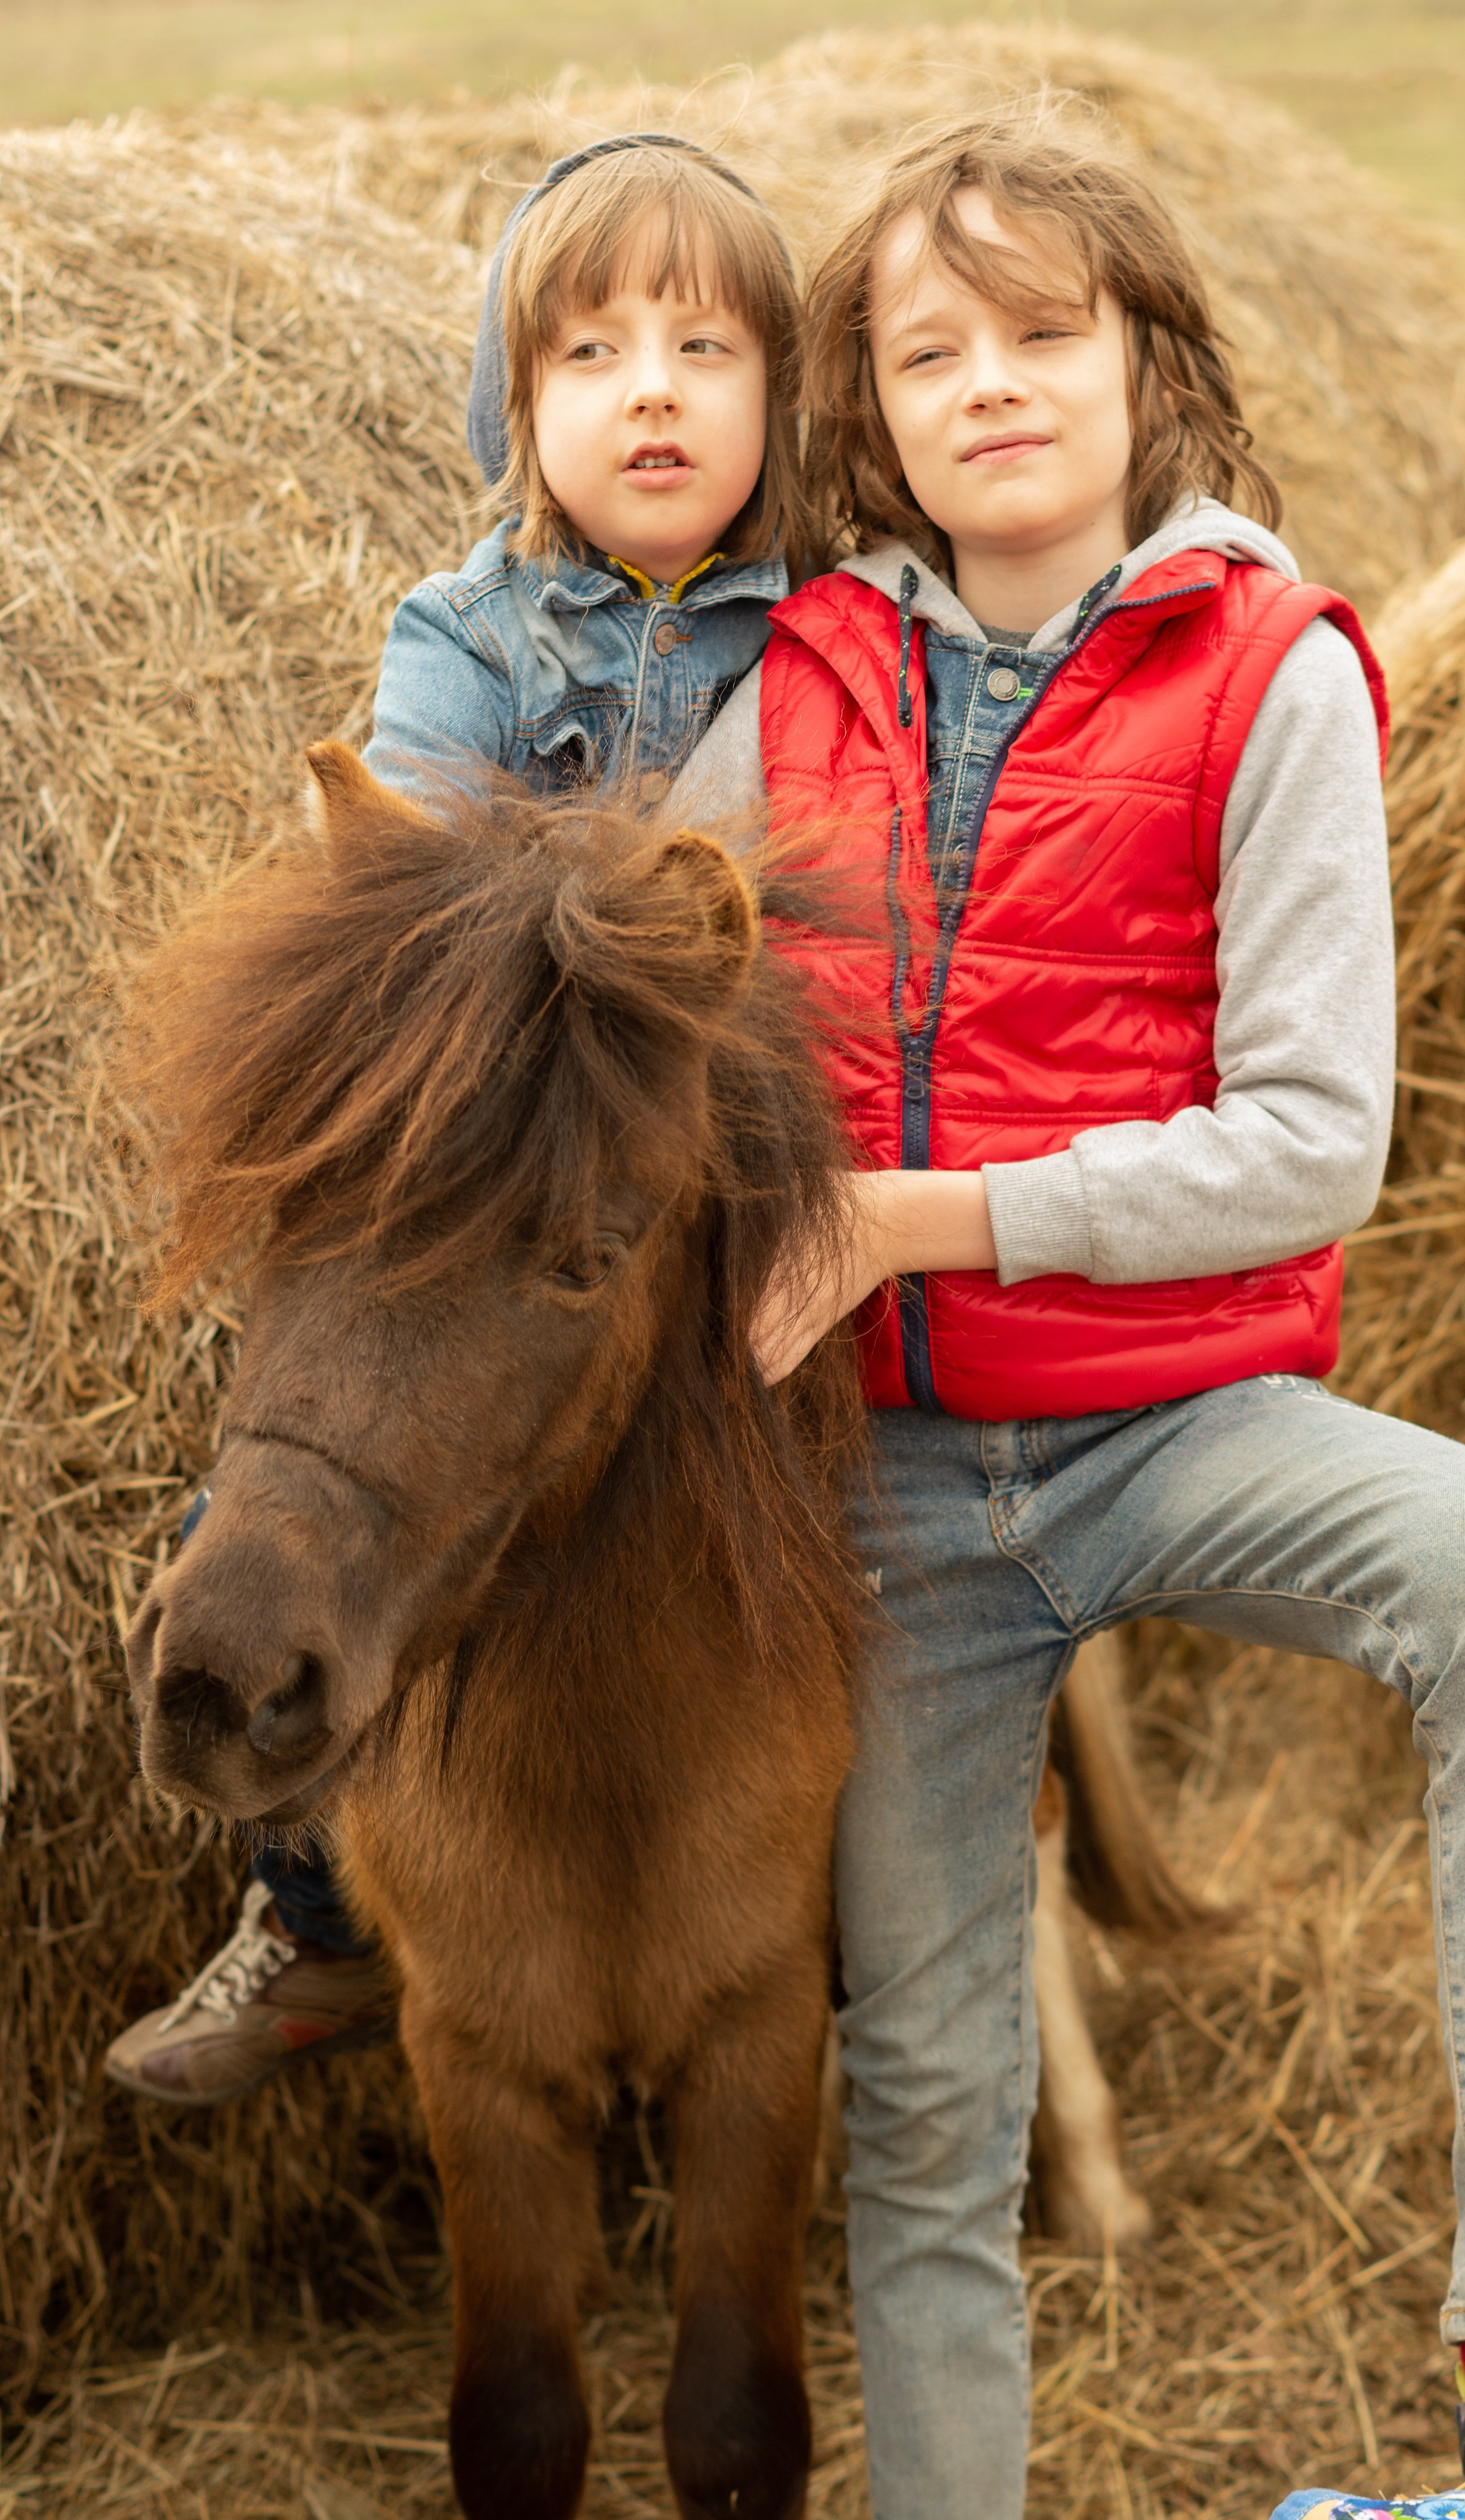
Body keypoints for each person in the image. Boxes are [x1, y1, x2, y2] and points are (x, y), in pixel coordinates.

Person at [666, 105, 1465, 2510]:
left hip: (1174, 1424)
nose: (992, 381)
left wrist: (925, 1222)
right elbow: (628, 974)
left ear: (1145, 365)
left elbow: (1315, 1135)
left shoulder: (1271, 670)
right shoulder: (791, 682)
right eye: (931, 348)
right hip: (889, 1504)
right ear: (870, 415)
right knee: (926, 2112)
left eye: (1044, 330)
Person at [104, 129, 812, 2107]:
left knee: (902, 1501)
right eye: (588, 354)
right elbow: (396, 871)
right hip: (518, 1141)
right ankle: (317, 1911)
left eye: (703, 347)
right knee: (288, 1481)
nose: (649, 389)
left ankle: (873, 1874)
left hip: (742, 1159)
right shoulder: (466, 633)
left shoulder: (840, 628)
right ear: (518, 411)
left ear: (786, 397)